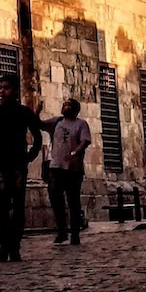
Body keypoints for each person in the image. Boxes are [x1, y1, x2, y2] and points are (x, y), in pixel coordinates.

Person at [0, 79, 43, 262]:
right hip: (2, 165)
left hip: (17, 165)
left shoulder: (24, 113)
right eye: (2, 87)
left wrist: (29, 157)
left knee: (17, 207)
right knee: (3, 206)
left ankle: (14, 246)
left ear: (14, 90)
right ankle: (4, 245)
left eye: (6, 87)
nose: (3, 91)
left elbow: (37, 137)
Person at [37, 97, 90, 246]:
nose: (66, 107)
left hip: (73, 169)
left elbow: (84, 141)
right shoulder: (56, 122)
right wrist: (37, 111)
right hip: (56, 167)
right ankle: (62, 232)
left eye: (69, 105)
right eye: (65, 105)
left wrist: (75, 152)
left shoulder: (81, 124)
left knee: (73, 201)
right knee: (56, 199)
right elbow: (39, 124)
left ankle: (75, 234)